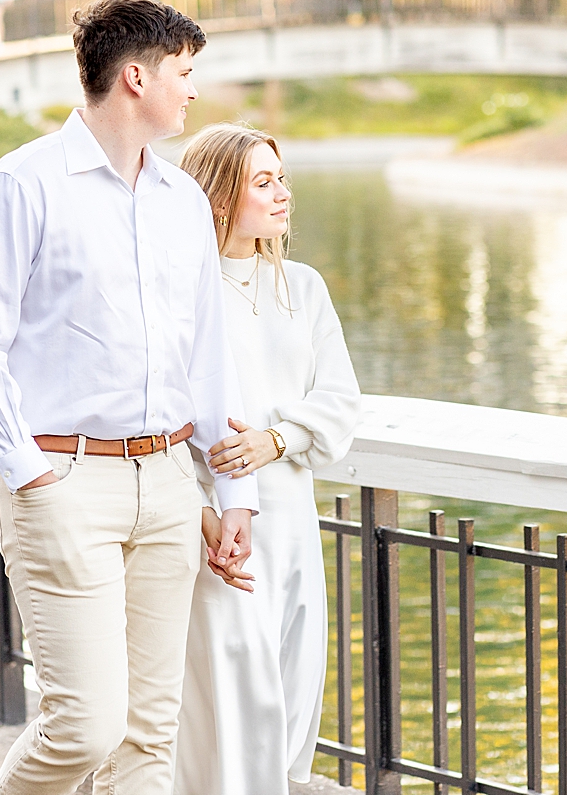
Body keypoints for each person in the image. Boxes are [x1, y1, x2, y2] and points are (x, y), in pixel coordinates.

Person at [0, 0, 258, 795]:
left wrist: (234, 491)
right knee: (85, 724)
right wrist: (29, 474)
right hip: (64, 479)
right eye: (184, 74)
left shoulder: (182, 201)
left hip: (168, 486)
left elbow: (207, 356)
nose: (193, 91)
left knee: (149, 739)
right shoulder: (23, 185)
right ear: (136, 77)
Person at [174, 123, 362, 795]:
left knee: (290, 688)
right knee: (229, 699)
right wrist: (203, 515)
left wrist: (276, 438)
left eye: (281, 178)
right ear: (221, 196)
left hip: (292, 520)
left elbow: (340, 400)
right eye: (264, 181)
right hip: (219, 531)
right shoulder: (181, 293)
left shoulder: (303, 288)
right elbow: (164, 419)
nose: (284, 193)